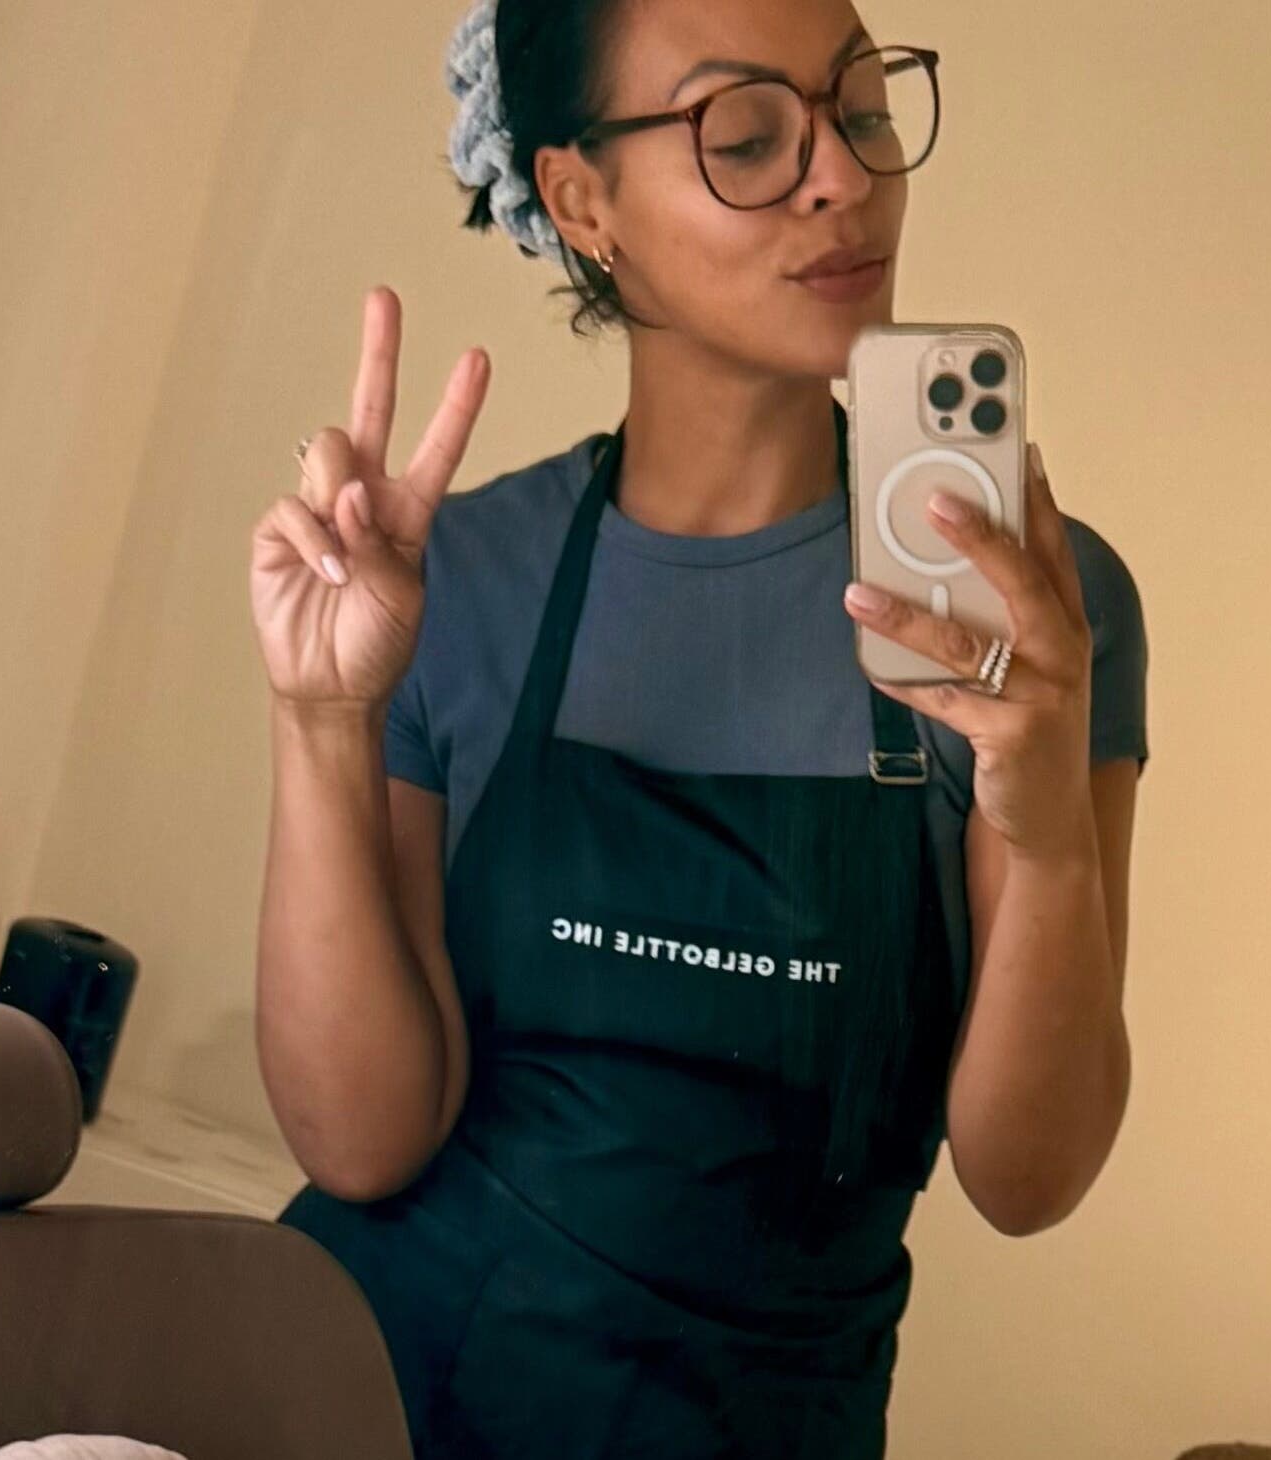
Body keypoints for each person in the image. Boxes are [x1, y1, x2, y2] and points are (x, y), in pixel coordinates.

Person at [244, 0, 1148, 1455]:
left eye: (860, 111)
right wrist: (321, 719)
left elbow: (1028, 1177)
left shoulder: (1036, 604)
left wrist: (1039, 831)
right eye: (745, 138)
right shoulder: (452, 581)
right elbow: (361, 1138)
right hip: (379, 1397)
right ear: (581, 198)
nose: (842, 178)